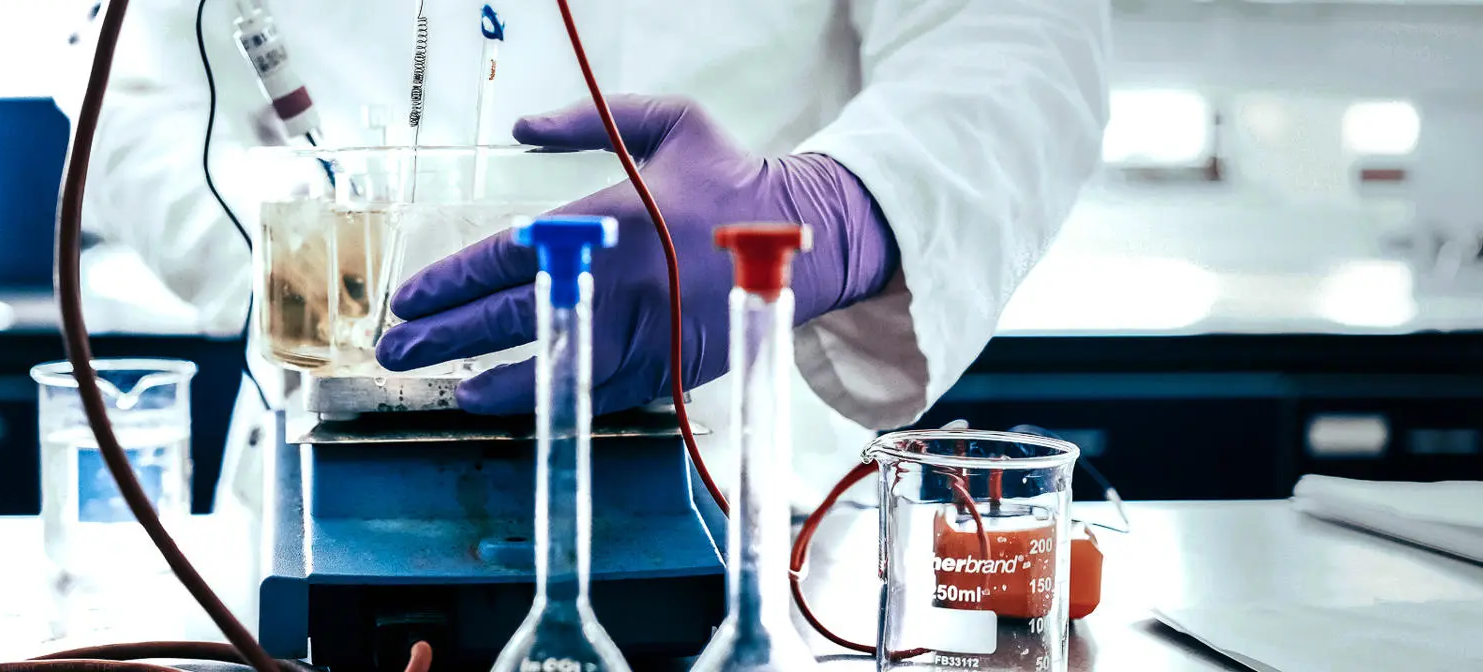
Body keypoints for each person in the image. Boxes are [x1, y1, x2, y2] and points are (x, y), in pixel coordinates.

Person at [58, 0, 1110, 514]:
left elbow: (1014, 40)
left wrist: (826, 213)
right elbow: (128, 102)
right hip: (336, 451)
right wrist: (294, 246)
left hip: (729, 459)